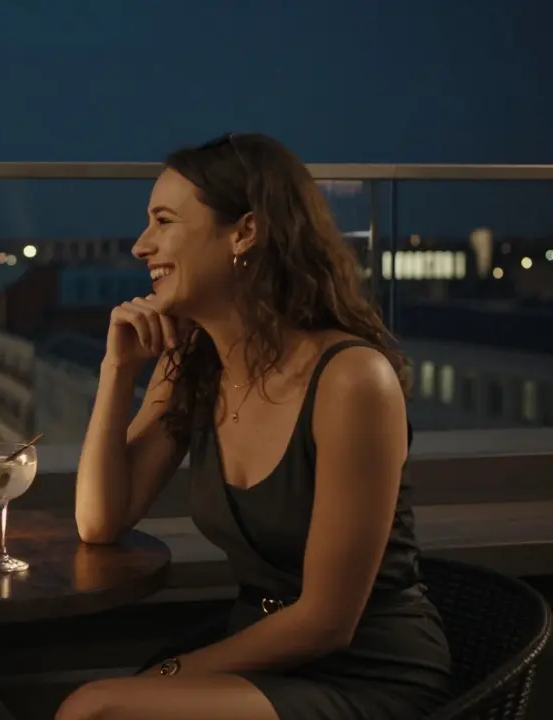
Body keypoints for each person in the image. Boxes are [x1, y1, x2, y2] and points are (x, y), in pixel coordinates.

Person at [59, 133, 452, 720]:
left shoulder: (351, 379)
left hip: (366, 673)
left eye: (164, 221)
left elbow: (327, 621)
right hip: (259, 658)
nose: (141, 245)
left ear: (244, 232)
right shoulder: (192, 366)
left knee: (95, 708)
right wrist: (116, 370)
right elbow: (100, 520)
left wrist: (170, 673)